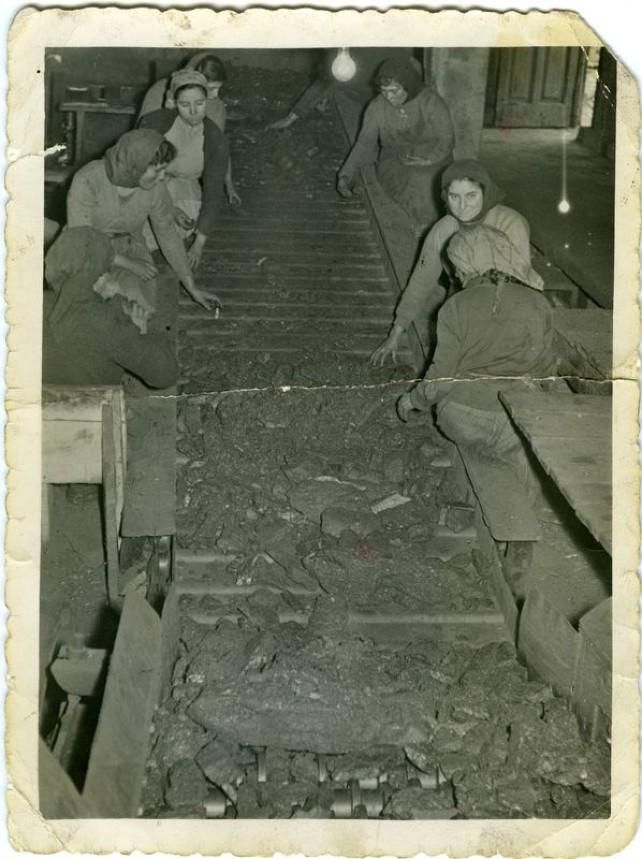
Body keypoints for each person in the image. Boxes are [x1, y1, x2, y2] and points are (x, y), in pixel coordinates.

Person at [395, 224, 556, 551]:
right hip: (516, 418)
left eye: (456, 267)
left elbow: (439, 380)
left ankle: (496, 483)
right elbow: (545, 369)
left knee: (478, 441)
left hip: (465, 418)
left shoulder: (456, 307)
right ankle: (522, 526)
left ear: (465, 264)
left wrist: (410, 402)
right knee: (520, 454)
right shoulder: (540, 304)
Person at [371, 159, 544, 366]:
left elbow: (521, 288)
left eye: (471, 196)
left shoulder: (510, 223)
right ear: (445, 196)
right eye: (454, 197)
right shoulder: (444, 229)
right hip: (461, 297)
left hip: (507, 303)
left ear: (485, 192)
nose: (462, 206)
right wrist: (395, 334)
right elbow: (421, 281)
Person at [66, 128, 218, 330]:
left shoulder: (154, 187)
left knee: (138, 315)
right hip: (84, 252)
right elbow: (81, 239)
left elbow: (167, 234)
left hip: (130, 247)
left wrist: (191, 286)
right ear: (135, 167)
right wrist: (127, 264)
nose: (163, 176)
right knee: (89, 311)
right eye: (157, 170)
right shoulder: (87, 179)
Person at [43, 227, 178, 388]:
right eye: (106, 268)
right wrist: (140, 332)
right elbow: (166, 375)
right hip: (91, 408)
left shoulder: (30, 306)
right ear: (99, 276)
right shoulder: (107, 322)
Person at [336, 57, 454, 232]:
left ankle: (435, 225)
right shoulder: (377, 107)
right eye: (384, 91)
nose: (389, 97)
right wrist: (345, 175)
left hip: (434, 158)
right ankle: (423, 223)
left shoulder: (430, 102)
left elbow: (447, 139)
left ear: (408, 86)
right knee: (411, 182)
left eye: (394, 91)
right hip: (395, 160)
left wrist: (429, 160)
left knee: (430, 182)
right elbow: (364, 143)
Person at [138, 69, 230, 271]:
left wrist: (198, 246)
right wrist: (170, 208)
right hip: (148, 186)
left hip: (185, 188)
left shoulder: (215, 138)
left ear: (207, 100)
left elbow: (213, 193)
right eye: (185, 105)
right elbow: (137, 171)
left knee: (173, 230)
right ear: (174, 101)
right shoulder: (154, 123)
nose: (194, 111)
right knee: (137, 230)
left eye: (200, 103)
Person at [139, 52, 241, 206]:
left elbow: (219, 149)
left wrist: (229, 185)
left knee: (187, 220)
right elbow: (140, 140)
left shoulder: (216, 107)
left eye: (218, 88)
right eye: (211, 88)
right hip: (155, 178)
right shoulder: (158, 92)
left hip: (188, 181)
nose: (216, 95)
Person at [266, 48, 418, 131]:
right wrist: (291, 117)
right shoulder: (339, 61)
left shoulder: (385, 53)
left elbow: (409, 74)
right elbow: (323, 84)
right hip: (364, 95)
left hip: (391, 96)